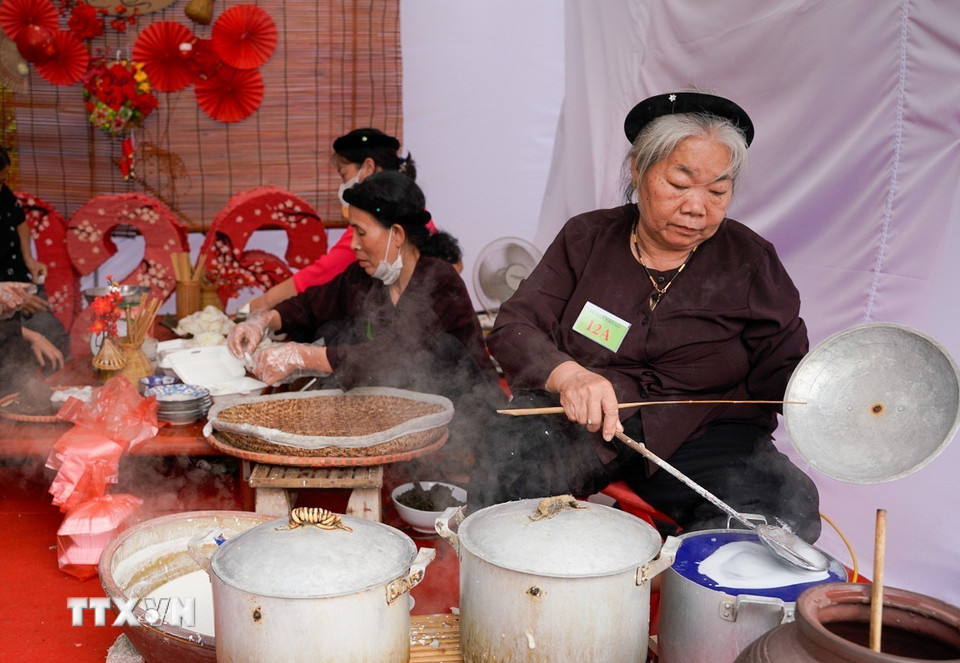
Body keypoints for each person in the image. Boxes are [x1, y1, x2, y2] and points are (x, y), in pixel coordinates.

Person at [483, 91, 821, 542]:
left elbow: (787, 372)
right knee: (506, 478)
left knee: (783, 510)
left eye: (718, 191)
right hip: (582, 421)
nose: (697, 207)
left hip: (704, 437)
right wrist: (569, 376)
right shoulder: (587, 239)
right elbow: (514, 326)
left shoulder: (750, 262)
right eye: (679, 184)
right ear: (638, 169)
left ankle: (681, 596)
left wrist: (833, 397)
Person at [228, 172, 502, 471]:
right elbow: (311, 304)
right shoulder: (368, 277)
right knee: (334, 328)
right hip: (405, 414)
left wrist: (302, 355)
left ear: (396, 234)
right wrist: (262, 322)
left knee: (442, 348)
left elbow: (395, 355)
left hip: (466, 418)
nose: (354, 245)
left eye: (361, 232)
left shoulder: (438, 280)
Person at [245, 128, 457, 311]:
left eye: (343, 174)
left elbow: (323, 273)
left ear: (368, 168)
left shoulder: (377, 218)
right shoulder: (414, 210)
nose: (356, 243)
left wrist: (261, 304)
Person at [0, 146, 70, 358]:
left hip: (20, 288)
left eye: (3, 180)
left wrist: (29, 258)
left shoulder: (3, 194)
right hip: (5, 305)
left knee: (56, 334)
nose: (1, 186)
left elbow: (20, 220)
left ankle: (60, 386)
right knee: (33, 340)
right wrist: (11, 299)